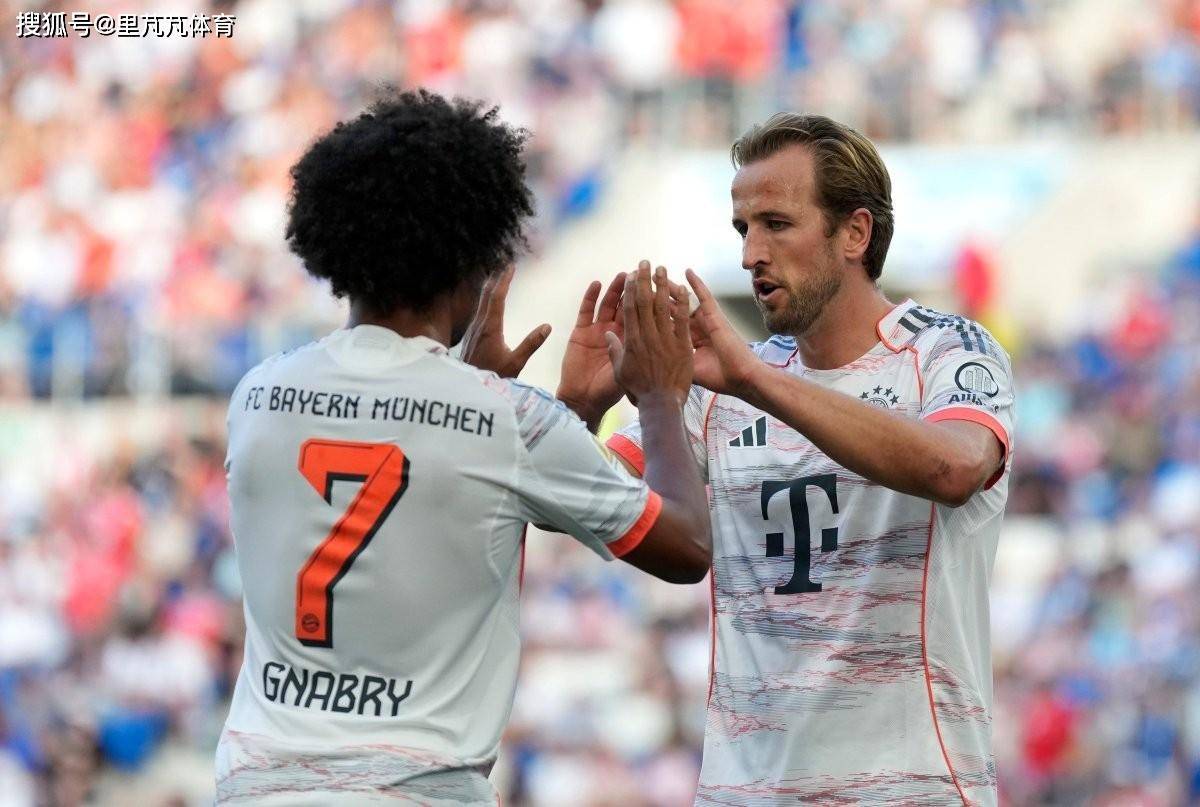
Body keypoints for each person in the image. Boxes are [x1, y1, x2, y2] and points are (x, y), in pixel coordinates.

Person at [214, 89, 710, 805]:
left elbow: (431, 469)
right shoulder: (505, 420)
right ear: (474, 260)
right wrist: (659, 395)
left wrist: (551, 411)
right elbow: (686, 547)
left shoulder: (257, 396)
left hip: (257, 786)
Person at [558, 113, 1015, 805]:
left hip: (911, 790)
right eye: (743, 228)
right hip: (743, 792)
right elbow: (590, 509)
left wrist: (753, 380)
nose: (750, 254)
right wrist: (576, 412)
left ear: (854, 233)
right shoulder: (722, 382)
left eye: (776, 224)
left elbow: (954, 468)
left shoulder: (946, 350)